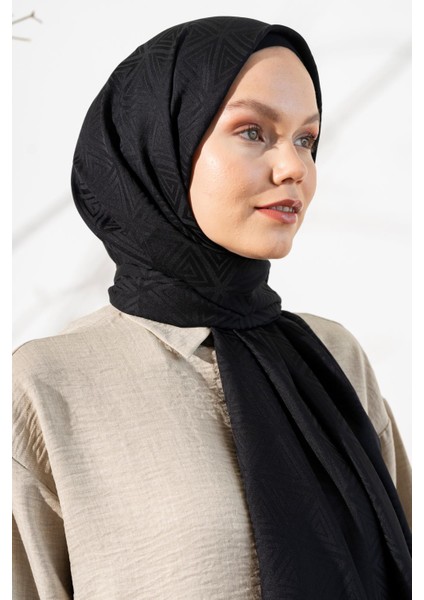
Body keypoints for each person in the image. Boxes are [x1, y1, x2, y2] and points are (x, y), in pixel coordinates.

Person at [12, 15, 412, 600]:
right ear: (159, 145)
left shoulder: (335, 359)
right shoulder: (48, 385)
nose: (294, 167)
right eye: (253, 131)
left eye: (306, 139)